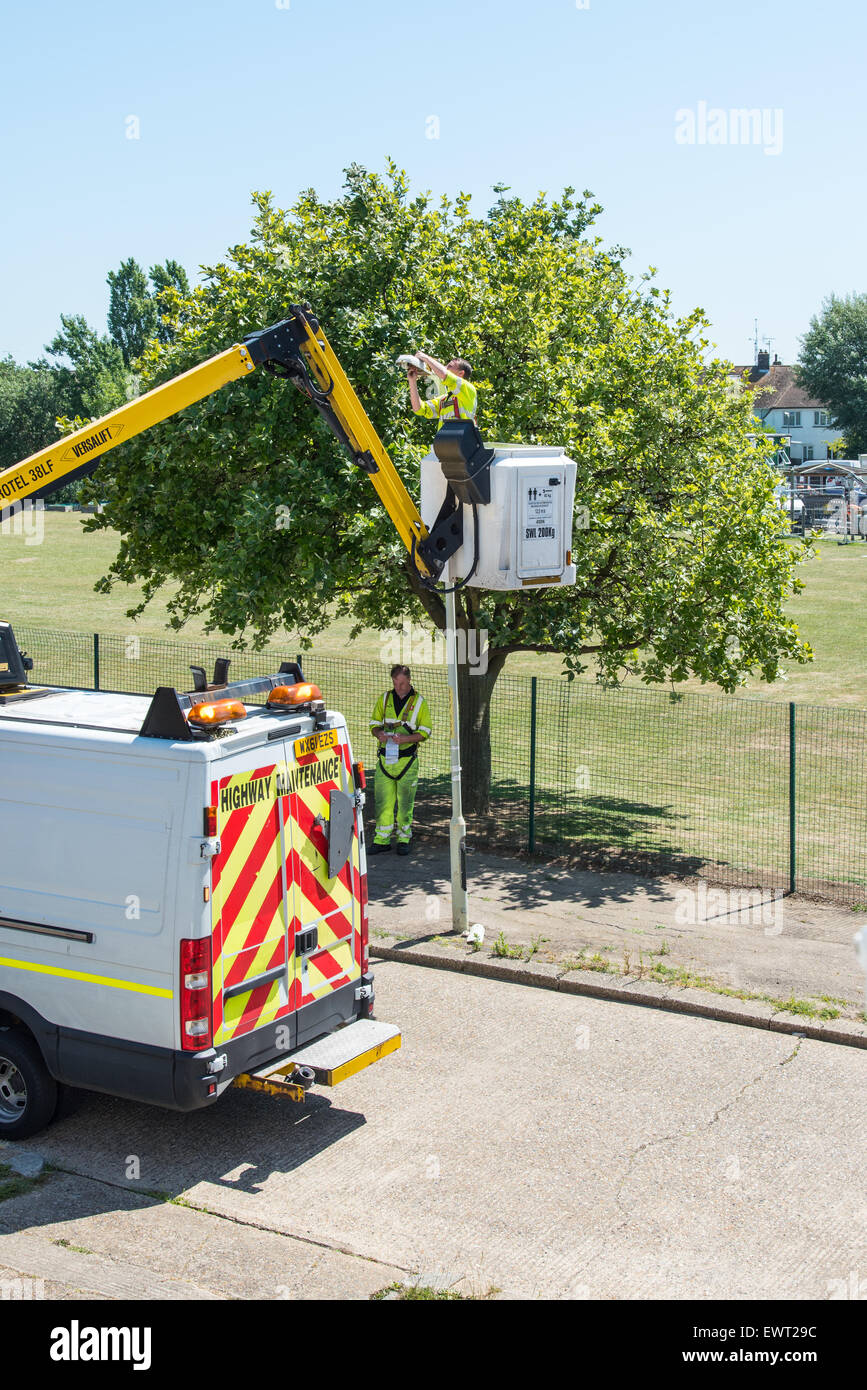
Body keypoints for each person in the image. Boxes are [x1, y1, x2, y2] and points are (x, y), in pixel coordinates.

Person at [368, 665, 431, 856]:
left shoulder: (419, 702)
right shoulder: (385, 698)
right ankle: (382, 840)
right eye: (395, 683)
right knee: (383, 802)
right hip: (385, 761)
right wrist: (378, 734)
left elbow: (425, 731)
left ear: (409, 680)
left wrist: (405, 739)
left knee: (405, 803)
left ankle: (404, 839)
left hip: (407, 762)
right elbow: (374, 724)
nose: (398, 687)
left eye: (402, 683)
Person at [406, 351, 477, 426]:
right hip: (444, 438)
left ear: (461, 373)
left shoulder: (469, 389)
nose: (445, 368)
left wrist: (425, 357)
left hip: (462, 437)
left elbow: (444, 374)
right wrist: (412, 381)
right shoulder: (444, 400)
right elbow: (419, 409)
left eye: (449, 366)